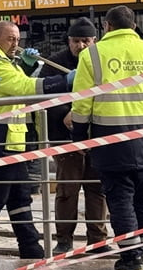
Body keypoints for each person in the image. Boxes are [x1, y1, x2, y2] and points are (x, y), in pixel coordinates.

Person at [71, 5, 143, 270]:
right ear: (134, 25)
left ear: (107, 26)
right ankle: (142, 253)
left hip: (110, 140)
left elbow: (82, 102)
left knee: (120, 199)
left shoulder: (93, 53)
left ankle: (131, 257)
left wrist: (79, 136)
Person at [0, 21, 69, 260]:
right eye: (11, 39)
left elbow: (17, 85)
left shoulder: (5, 61)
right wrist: (64, 82)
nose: (16, 44)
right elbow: (22, 87)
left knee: (20, 195)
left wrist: (26, 67)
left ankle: (30, 247)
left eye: (18, 39)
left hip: (10, 142)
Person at [41, 17, 106, 254]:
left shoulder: (100, 60)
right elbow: (44, 94)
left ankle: (97, 239)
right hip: (64, 136)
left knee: (96, 190)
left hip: (96, 133)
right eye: (76, 41)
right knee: (67, 190)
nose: (81, 46)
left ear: (94, 41)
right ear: (69, 41)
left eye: (85, 41)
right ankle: (64, 240)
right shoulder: (55, 62)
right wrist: (64, 113)